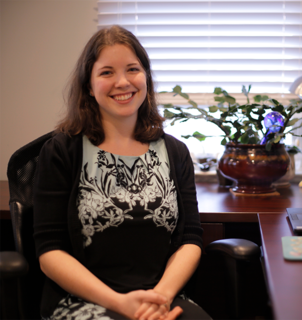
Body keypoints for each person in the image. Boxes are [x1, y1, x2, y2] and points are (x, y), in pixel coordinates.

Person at [33, 25, 211, 320]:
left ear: (146, 78)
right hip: (83, 300)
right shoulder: (63, 151)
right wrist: (119, 303)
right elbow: (50, 252)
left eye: (132, 69)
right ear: (89, 85)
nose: (122, 82)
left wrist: (159, 298)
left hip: (161, 298)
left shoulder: (175, 152)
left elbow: (190, 239)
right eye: (106, 72)